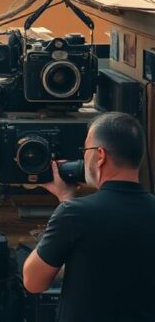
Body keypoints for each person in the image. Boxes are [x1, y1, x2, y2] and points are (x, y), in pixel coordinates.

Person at [23, 112, 155, 322]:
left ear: (100, 155)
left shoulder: (74, 214)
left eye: (86, 150)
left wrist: (66, 202)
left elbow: (33, 281)